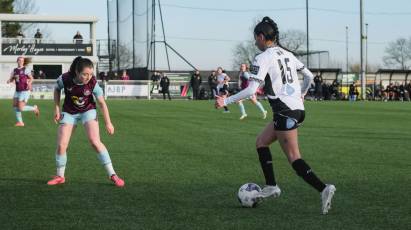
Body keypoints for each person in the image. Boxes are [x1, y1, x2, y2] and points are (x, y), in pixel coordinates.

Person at [215, 16, 336, 214]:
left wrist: (225, 101)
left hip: (284, 111)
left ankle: (324, 189)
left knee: (294, 158)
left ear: (262, 37)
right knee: (261, 142)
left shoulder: (262, 58)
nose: (255, 42)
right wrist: (303, 93)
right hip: (296, 109)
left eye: (256, 38)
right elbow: (309, 76)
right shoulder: (288, 54)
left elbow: (251, 89)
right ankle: (271, 186)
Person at [47, 56, 124, 187]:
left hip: (88, 111)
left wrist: (108, 122)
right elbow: (56, 89)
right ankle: (60, 176)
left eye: (90, 74)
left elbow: (102, 103)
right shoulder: (65, 79)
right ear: (77, 72)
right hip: (69, 112)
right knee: (61, 145)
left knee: (95, 142)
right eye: (85, 74)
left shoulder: (92, 82)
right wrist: (56, 108)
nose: (88, 77)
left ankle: (113, 174)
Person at [7, 56, 40, 126]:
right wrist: (9, 80)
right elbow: (12, 78)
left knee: (20, 108)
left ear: (23, 62)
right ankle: (20, 122)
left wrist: (29, 84)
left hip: (25, 90)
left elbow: (31, 78)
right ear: (17, 61)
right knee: (15, 106)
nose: (20, 62)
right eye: (19, 60)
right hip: (17, 90)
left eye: (22, 61)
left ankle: (34, 108)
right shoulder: (14, 70)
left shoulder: (26, 69)